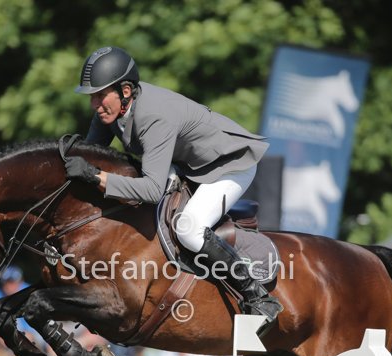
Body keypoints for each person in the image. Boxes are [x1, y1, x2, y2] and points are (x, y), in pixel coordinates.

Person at [66, 46, 281, 334]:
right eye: (92, 96)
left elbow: (152, 190)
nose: (94, 104)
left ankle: (257, 296)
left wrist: (95, 177)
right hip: (189, 167)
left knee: (188, 229)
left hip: (229, 166)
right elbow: (90, 153)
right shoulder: (112, 110)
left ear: (125, 91)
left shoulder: (153, 116)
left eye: (99, 95)